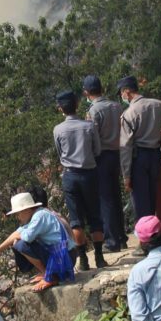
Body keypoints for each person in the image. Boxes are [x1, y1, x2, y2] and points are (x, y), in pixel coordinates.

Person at [117, 75, 161, 251]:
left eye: (121, 93)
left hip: (138, 159)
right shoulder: (157, 104)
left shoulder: (128, 114)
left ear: (127, 92)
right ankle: (155, 239)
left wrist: (126, 175)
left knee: (141, 203)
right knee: (153, 199)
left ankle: (145, 244)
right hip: (155, 156)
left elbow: (125, 147)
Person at [53, 90, 107, 270]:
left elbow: (59, 153)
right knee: (95, 216)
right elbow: (97, 150)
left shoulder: (58, 129)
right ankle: (99, 257)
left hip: (70, 175)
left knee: (76, 219)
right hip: (89, 173)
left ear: (61, 108)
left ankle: (83, 259)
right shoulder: (88, 126)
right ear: (77, 105)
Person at [82, 75, 127, 252]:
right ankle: (122, 237)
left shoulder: (93, 111)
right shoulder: (116, 106)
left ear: (86, 92)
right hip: (119, 154)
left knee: (105, 199)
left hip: (102, 157)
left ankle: (111, 241)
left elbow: (91, 136)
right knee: (116, 196)